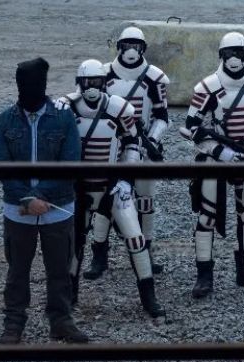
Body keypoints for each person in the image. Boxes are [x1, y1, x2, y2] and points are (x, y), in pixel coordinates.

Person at [56, 60, 165, 317]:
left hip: (113, 185)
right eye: (87, 82)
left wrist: (126, 179)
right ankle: (69, 294)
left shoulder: (120, 108)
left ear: (104, 83)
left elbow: (132, 144)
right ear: (79, 83)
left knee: (135, 238)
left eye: (97, 82)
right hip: (79, 188)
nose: (92, 87)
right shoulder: (65, 108)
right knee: (74, 243)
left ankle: (148, 296)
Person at [0, 57, 88, 344]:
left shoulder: (64, 119)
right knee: (17, 270)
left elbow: (70, 164)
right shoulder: (3, 121)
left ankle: (60, 320)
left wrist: (34, 197)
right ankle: (14, 322)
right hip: (24, 208)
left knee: (59, 269)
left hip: (53, 208)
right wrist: (30, 198)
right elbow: (2, 167)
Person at [182, 32, 244, 298]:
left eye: (238, 52)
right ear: (221, 55)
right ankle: (204, 274)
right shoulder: (207, 87)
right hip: (217, 159)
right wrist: (219, 151)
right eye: (228, 53)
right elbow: (190, 128)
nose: (233, 58)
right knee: (207, 215)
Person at [101, 27, 170, 275]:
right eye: (127, 45)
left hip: (144, 147)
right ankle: (100, 253)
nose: (131, 51)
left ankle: (146, 251)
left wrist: (151, 139)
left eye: (136, 46)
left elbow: (162, 116)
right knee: (105, 199)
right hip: (112, 145)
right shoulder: (104, 74)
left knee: (146, 201)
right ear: (119, 47)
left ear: (143, 49)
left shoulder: (154, 77)